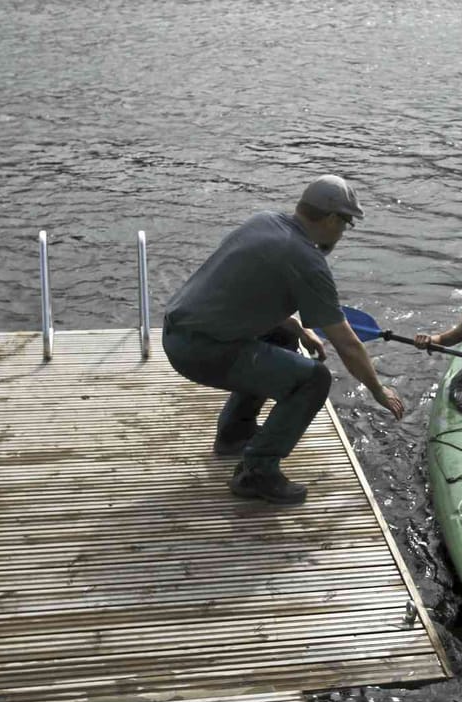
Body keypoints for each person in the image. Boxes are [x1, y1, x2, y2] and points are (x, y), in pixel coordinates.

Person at [162, 175, 405, 506]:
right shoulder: (307, 260)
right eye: (346, 224)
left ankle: (235, 433)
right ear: (333, 219)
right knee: (314, 380)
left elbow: (242, 293)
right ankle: (256, 472)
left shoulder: (264, 221)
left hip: (178, 331)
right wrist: (378, 389)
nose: (343, 233)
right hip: (202, 349)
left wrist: (298, 327)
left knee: (282, 335)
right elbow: (346, 343)